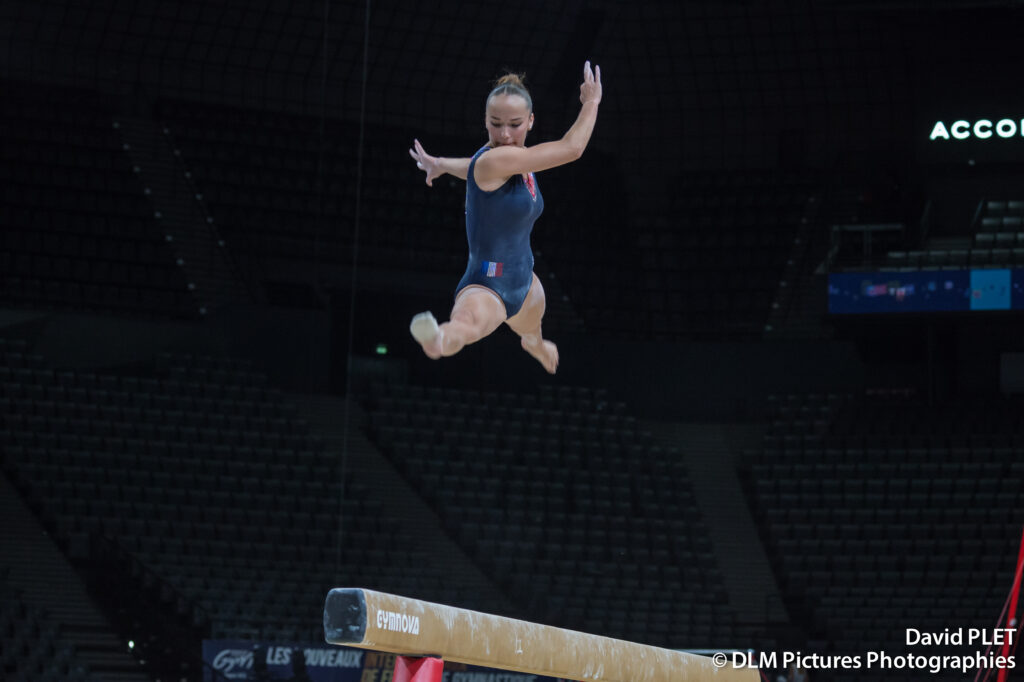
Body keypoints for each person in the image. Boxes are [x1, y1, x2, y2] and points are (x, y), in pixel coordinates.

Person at [408, 60, 602, 374]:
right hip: (487, 286)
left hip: (526, 283)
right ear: (485, 120)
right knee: (465, 324)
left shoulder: (506, 161)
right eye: (496, 123)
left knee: (533, 333)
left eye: (514, 124)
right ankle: (438, 340)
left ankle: (535, 345)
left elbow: (474, 168)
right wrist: (591, 102)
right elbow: (572, 148)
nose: (505, 134)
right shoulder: (497, 160)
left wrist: (442, 164)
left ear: (531, 121)